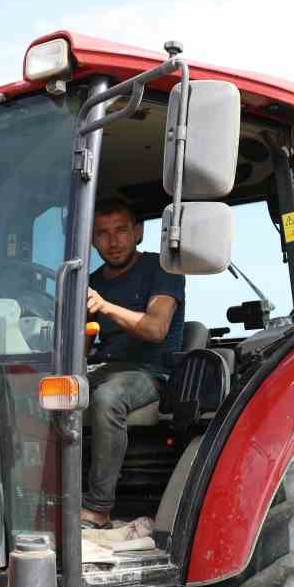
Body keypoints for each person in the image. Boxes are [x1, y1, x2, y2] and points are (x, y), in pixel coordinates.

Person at [81, 197, 186, 528]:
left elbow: (155, 329)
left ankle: (98, 508)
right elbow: (84, 346)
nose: (113, 242)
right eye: (102, 233)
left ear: (138, 232)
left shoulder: (162, 270)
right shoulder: (92, 280)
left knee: (108, 399)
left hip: (150, 371)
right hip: (102, 367)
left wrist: (105, 305)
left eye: (121, 231)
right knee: (35, 392)